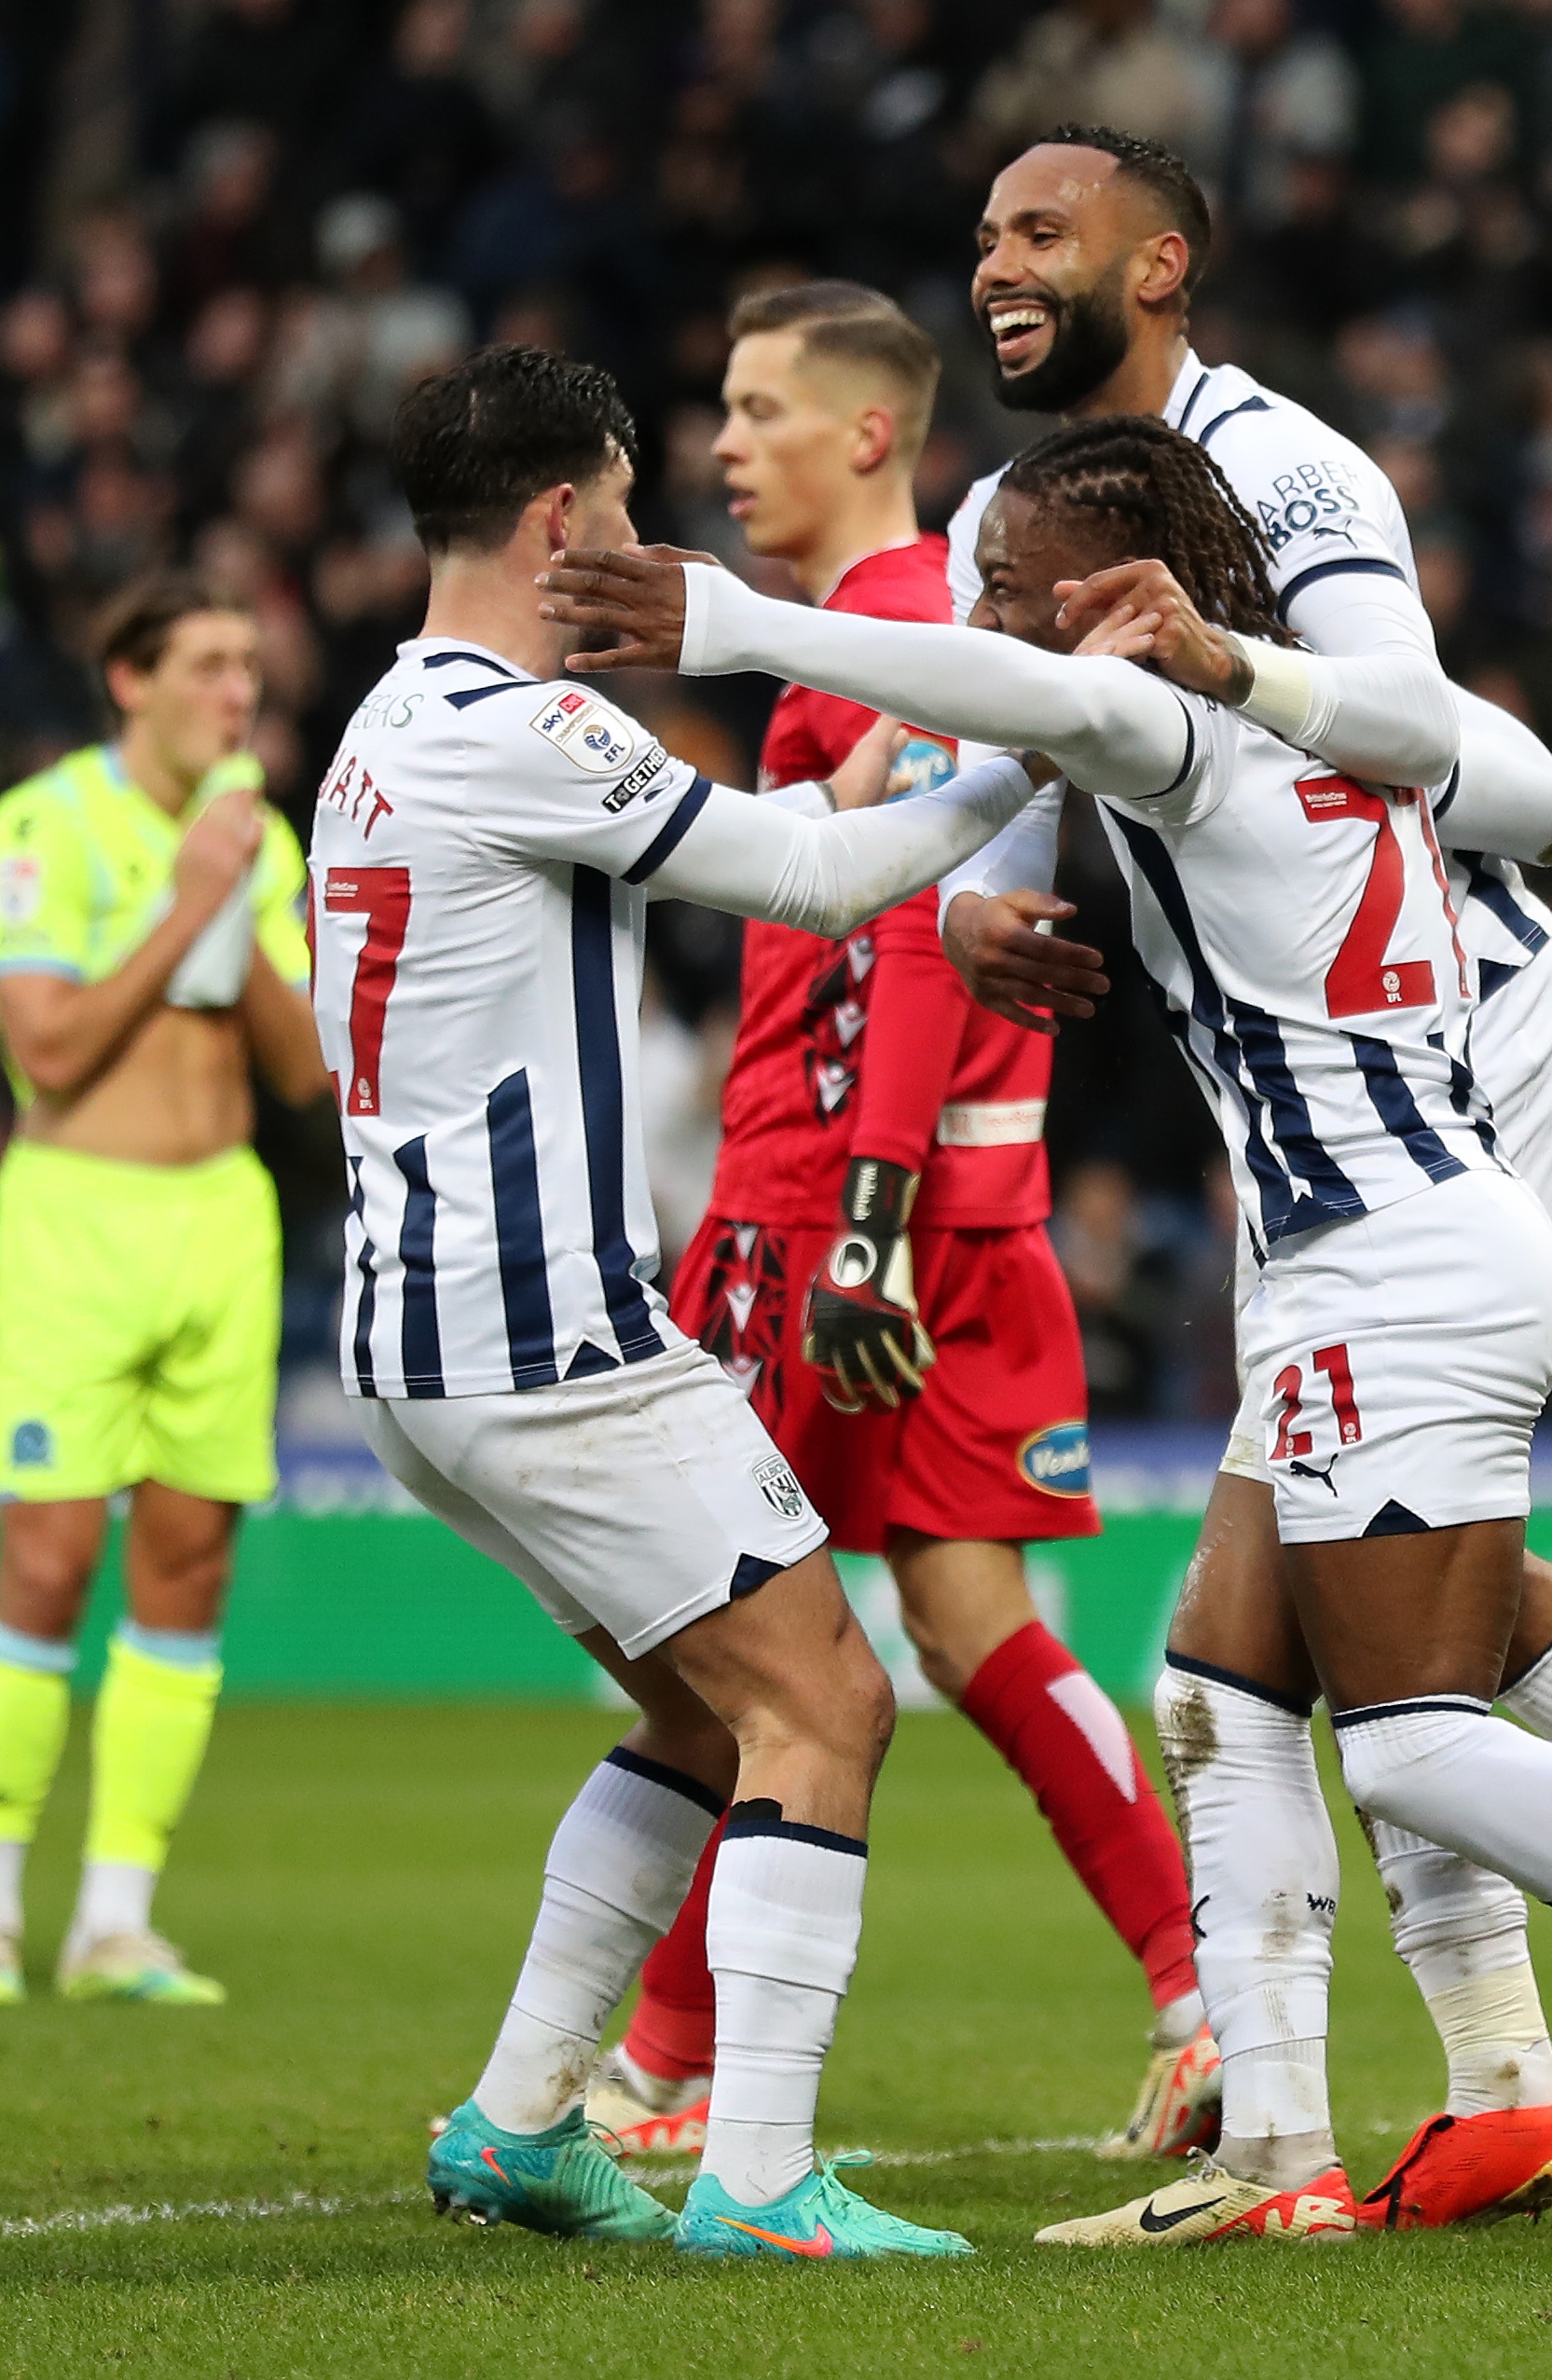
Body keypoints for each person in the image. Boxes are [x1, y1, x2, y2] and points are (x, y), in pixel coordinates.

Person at [542, 411, 1552, 2258]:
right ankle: (1276, 2147)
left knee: (1412, 1742)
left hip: (1390, 1261)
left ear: (1099, 602)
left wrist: (726, 621)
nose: (975, 606)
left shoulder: (1167, 727)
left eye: (1003, 581)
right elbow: (1539, 794)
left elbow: (1002, 696)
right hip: (1389, 1245)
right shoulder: (1367, 719)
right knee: (1218, 1683)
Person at [931, 125, 1552, 2225]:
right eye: (983, 236)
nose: (998, 263)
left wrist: (1203, 681)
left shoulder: (1290, 476)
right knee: (1264, 1655)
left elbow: (1415, 728)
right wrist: (969, 900)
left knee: (1398, 1616)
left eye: (1042, 229)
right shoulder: (1001, 517)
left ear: (1164, 259)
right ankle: (1500, 2071)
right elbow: (1013, 760)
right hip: (1288, 1082)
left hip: (1450, 1031)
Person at [345, 346, 1055, 2261]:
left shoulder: (381, 724)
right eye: (632, 502)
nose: (655, 536)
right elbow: (819, 881)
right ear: (563, 517)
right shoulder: (525, 725)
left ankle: (514, 2123)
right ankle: (755, 2177)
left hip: (419, 1340)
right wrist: (1028, 749)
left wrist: (909, 767)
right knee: (825, 1694)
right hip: (543, 1331)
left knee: (693, 1706)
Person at [581, 280, 1214, 2168]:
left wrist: (860, 1216)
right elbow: (941, 910)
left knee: (728, 1640)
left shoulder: (904, 633)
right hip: (952, 1203)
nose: (722, 440)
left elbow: (920, 952)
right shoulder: (888, 636)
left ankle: (664, 2064)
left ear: (869, 432)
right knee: (966, 1625)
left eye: (756, 405)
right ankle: (1208, 2008)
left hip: (830, 1210)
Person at [0, 572, 324, 2010]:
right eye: (210, 665)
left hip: (221, 1216)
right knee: (41, 1564)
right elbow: (44, 1052)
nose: (239, 692)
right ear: (130, 679)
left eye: (248, 667)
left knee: (187, 1569)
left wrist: (247, 906)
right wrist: (187, 911)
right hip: (75, 1220)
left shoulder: (260, 842)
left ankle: (114, 1920)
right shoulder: (40, 825)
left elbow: (304, 1075)